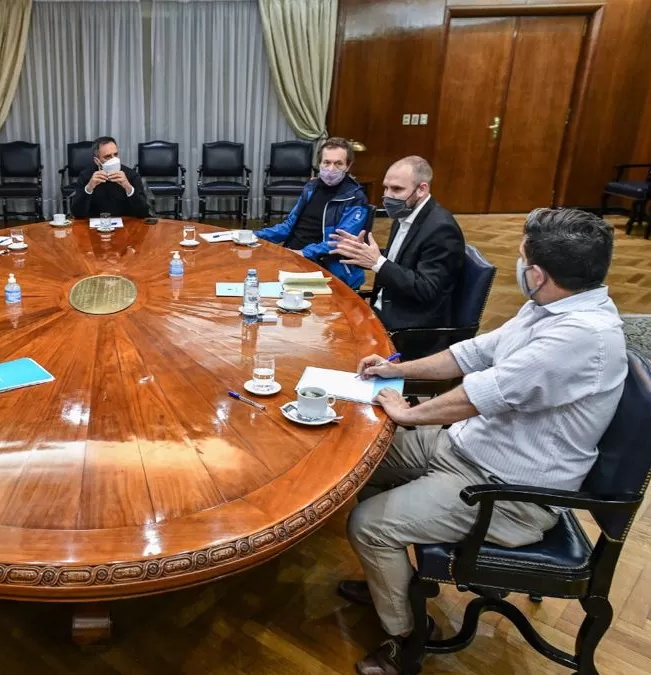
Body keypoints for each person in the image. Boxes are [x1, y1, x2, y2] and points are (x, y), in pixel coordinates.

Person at [341, 208, 626, 675]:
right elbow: (472, 353)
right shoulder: (552, 305)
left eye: (521, 257)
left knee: (368, 524)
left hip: (507, 490)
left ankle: (408, 634)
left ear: (536, 273)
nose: (518, 264)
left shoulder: (580, 337)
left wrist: (408, 412)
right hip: (469, 449)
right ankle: (389, 581)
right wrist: (396, 369)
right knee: (361, 459)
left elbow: (478, 396)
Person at [331, 156, 465, 332]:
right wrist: (361, 252)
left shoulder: (442, 229)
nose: (387, 196)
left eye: (396, 189)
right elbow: (403, 258)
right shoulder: (404, 213)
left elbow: (426, 289)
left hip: (410, 326)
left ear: (421, 189)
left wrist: (377, 262)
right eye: (386, 188)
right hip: (382, 307)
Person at [254, 137, 370, 288]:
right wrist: (255, 236)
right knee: (250, 277)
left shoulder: (355, 198)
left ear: (348, 166)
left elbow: (339, 242)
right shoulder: (311, 187)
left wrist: (303, 253)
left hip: (324, 265)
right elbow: (288, 226)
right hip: (293, 256)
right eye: (326, 162)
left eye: (338, 163)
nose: (331, 168)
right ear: (319, 164)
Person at [70, 136, 150, 219]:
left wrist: (128, 188)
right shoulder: (86, 175)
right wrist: (89, 188)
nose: (114, 159)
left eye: (115, 154)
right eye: (107, 157)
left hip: (126, 226)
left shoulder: (131, 175)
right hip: (95, 225)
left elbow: (143, 213)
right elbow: (77, 214)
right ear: (97, 161)